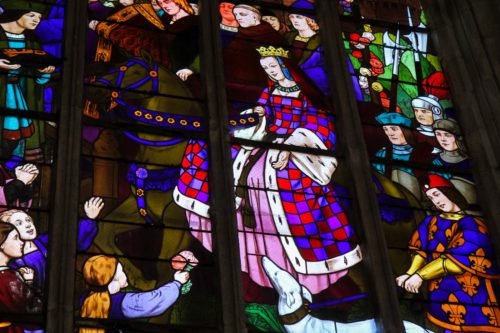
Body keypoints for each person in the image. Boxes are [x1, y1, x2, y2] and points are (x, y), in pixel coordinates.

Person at [176, 46, 362, 296]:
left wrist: (290, 145)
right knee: (216, 156)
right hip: (265, 140)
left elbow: (320, 125)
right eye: (266, 69)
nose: (271, 72)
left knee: (270, 178)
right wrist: (260, 114)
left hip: (297, 149)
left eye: (274, 67)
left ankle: (299, 267)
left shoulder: (307, 95)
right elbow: (265, 113)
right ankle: (247, 254)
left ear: (286, 66)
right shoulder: (271, 90)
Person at [396, 175, 500, 333]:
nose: (435, 201)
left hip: (472, 299)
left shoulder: (473, 225)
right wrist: (409, 273)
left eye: (437, 194)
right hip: (440, 296)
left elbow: (455, 263)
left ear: (450, 193)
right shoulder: (431, 222)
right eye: (431, 198)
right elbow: (420, 251)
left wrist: (419, 276)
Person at [2, 197, 103, 289]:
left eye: (28, 220)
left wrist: (89, 219)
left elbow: (71, 242)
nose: (28, 225)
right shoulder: (8, 257)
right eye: (19, 223)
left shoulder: (43, 241)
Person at [0, 1, 56, 166]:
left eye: (39, 16)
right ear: (16, 13)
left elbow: (36, 81)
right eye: (31, 15)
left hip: (22, 100)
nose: (36, 20)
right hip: (4, 97)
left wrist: (44, 74)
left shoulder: (33, 43)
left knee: (14, 141)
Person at [79, 254, 190, 331]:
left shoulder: (85, 299)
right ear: (113, 280)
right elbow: (154, 301)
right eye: (121, 271)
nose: (125, 273)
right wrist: (177, 283)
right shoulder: (123, 302)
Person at [223, 4, 287, 111]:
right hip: (237, 89)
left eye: (242, 14)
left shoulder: (272, 35)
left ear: (255, 16)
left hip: (265, 88)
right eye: (236, 15)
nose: (238, 17)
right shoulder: (238, 36)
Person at [373, 112, 433, 201]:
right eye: (386, 129)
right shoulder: (381, 155)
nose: (390, 133)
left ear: (405, 130)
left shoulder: (422, 153)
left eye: (394, 129)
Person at [0, 223, 42, 332]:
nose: (21, 242)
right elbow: (32, 315)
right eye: (15, 238)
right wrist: (29, 282)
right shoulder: (8, 280)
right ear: (1, 244)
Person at [431, 118, 476, 205]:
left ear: (457, 136)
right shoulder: (435, 162)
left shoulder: (470, 159)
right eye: (438, 134)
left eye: (447, 135)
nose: (442, 139)